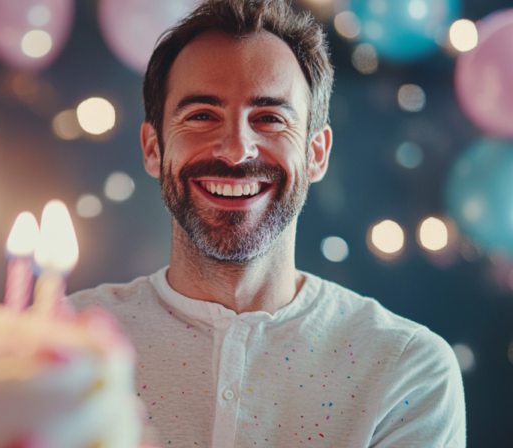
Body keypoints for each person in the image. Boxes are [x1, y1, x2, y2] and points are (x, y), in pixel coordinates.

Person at [69, 0, 466, 446]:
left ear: (316, 153)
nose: (236, 150)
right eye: (201, 115)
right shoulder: (59, 345)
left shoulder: (406, 370)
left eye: (270, 118)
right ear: (153, 148)